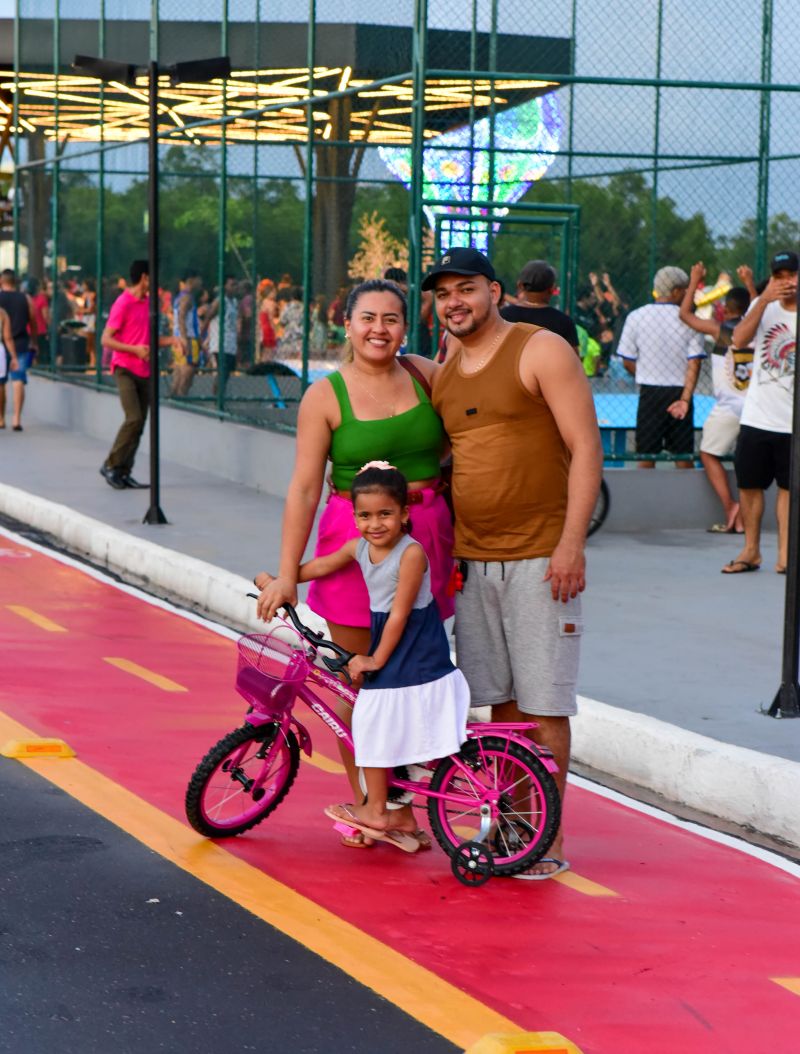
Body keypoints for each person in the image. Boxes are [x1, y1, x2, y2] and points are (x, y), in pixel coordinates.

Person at [424, 246, 603, 879]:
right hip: (474, 564)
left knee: (545, 706)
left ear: (495, 291)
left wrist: (572, 543)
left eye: (466, 288)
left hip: (542, 559)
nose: (454, 302)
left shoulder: (538, 350)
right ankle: (514, 830)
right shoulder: (445, 373)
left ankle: (547, 842)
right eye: (443, 293)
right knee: (499, 708)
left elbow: (586, 447)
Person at [254, 278, 453, 842]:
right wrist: (288, 572)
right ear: (347, 324)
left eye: (391, 319)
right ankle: (374, 804)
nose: (379, 329)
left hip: (424, 538)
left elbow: (459, 438)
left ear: (404, 328)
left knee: (406, 677)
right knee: (354, 683)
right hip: (351, 544)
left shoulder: (426, 376)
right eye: (368, 318)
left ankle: (406, 804)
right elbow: (302, 488)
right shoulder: (326, 395)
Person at [260, 463, 470, 849]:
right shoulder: (359, 546)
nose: (375, 524)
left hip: (415, 649)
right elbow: (322, 566)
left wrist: (374, 660)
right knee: (376, 720)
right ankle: (393, 808)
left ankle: (376, 810)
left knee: (369, 720)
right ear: (354, 516)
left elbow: (401, 615)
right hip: (395, 643)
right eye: (365, 515)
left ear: (405, 514)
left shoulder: (411, 555)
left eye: (385, 514)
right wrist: (282, 580)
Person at [722, 250, 798, 575]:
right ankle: (751, 550)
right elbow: (738, 340)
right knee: (750, 484)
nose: (786, 283)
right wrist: (763, 300)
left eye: (791, 276)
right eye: (780, 276)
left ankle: (785, 555)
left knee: (788, 488)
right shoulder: (762, 307)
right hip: (758, 416)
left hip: (792, 421)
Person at [679, 263, 752, 533]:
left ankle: (731, 506)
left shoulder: (721, 331)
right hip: (757, 407)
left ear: (727, 308)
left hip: (729, 406)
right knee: (747, 462)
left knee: (709, 453)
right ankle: (744, 515)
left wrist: (695, 280)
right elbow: (756, 306)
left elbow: (685, 315)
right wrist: (751, 285)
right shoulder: (758, 329)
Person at [616, 265, 706, 469]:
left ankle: (644, 498)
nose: (687, 294)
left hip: (650, 392)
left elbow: (628, 360)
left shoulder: (636, 317)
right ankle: (686, 498)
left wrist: (648, 374)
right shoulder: (689, 320)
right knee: (683, 456)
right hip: (680, 393)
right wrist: (685, 397)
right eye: (684, 290)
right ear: (675, 291)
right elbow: (695, 361)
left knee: (645, 455)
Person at [99, 259, 171, 489]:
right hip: (125, 368)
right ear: (144, 278)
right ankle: (110, 464)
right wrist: (134, 350)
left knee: (140, 424)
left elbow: (148, 340)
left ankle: (123, 470)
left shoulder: (150, 304)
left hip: (145, 370)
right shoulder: (123, 303)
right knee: (134, 418)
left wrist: (173, 341)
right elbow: (106, 339)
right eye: (153, 277)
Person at [500, 259, 579, 352]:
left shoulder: (503, 316)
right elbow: (573, 359)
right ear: (551, 289)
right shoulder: (564, 322)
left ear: (520, 285)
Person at [0, 268, 38, 432]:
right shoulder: (25, 298)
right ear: (15, 282)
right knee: (18, 380)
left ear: (2, 281)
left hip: (2, 344)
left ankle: (1, 417)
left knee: (1, 382)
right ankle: (16, 418)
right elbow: (33, 320)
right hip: (21, 342)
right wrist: (34, 340)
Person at [171, 270, 202, 396]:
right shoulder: (187, 298)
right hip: (187, 337)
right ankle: (181, 395)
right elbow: (182, 317)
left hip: (179, 337)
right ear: (191, 281)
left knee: (180, 367)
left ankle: (175, 396)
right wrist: (185, 339)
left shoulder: (179, 297)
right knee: (188, 368)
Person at [0, 305, 19, 406]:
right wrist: (14, 357)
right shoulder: (2, 313)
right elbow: (7, 338)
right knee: (1, 385)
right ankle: (1, 418)